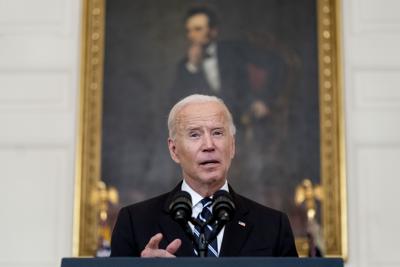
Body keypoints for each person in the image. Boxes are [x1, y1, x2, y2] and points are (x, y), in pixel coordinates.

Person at [110, 94, 298, 257]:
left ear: (232, 146)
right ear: (174, 150)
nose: (209, 145)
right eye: (194, 135)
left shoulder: (273, 226)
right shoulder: (135, 222)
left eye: (217, 133)